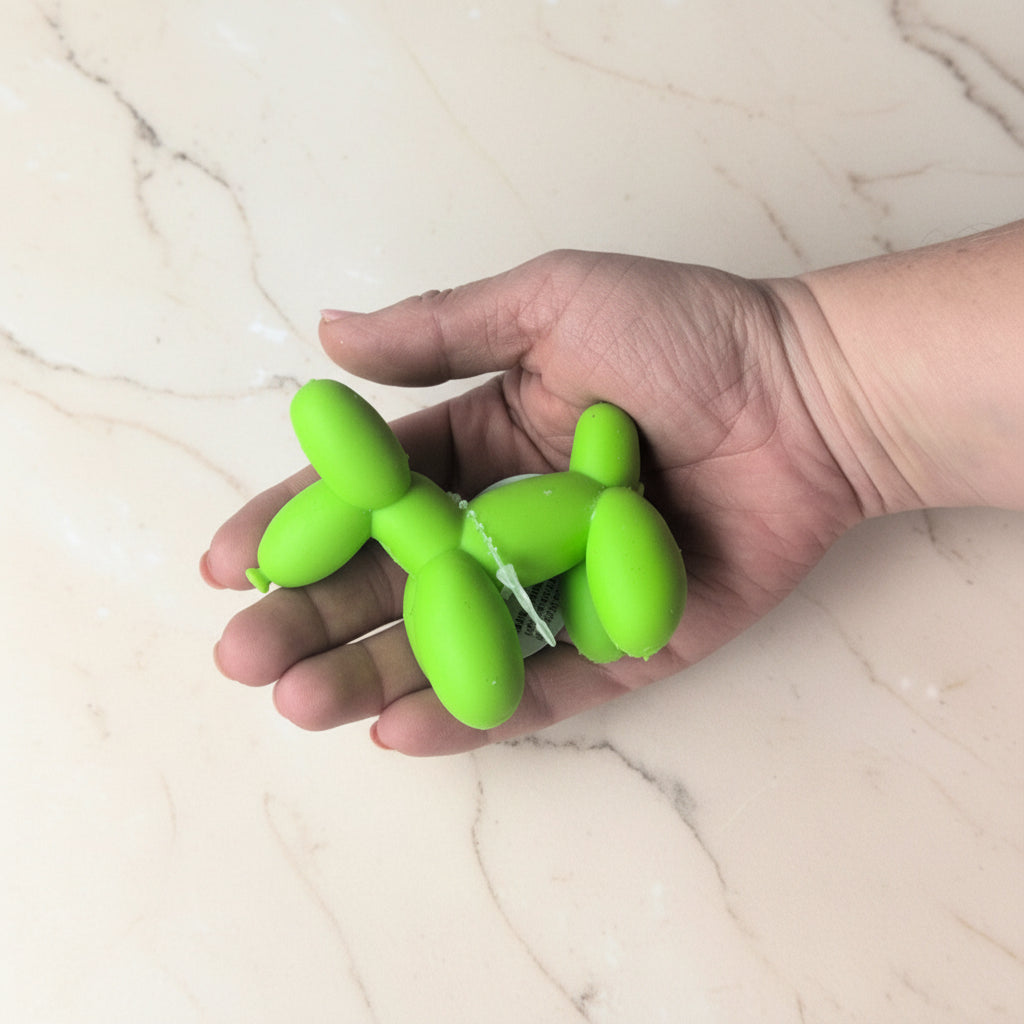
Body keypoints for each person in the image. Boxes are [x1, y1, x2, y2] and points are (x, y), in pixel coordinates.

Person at [200, 220, 1024, 756]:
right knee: (469, 572)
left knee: (576, 558)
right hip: (515, 531)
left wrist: (807, 382)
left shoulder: (599, 498)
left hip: (567, 517)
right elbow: (354, 510)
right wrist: (817, 386)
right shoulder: (410, 509)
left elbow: (598, 494)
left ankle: (535, 579)